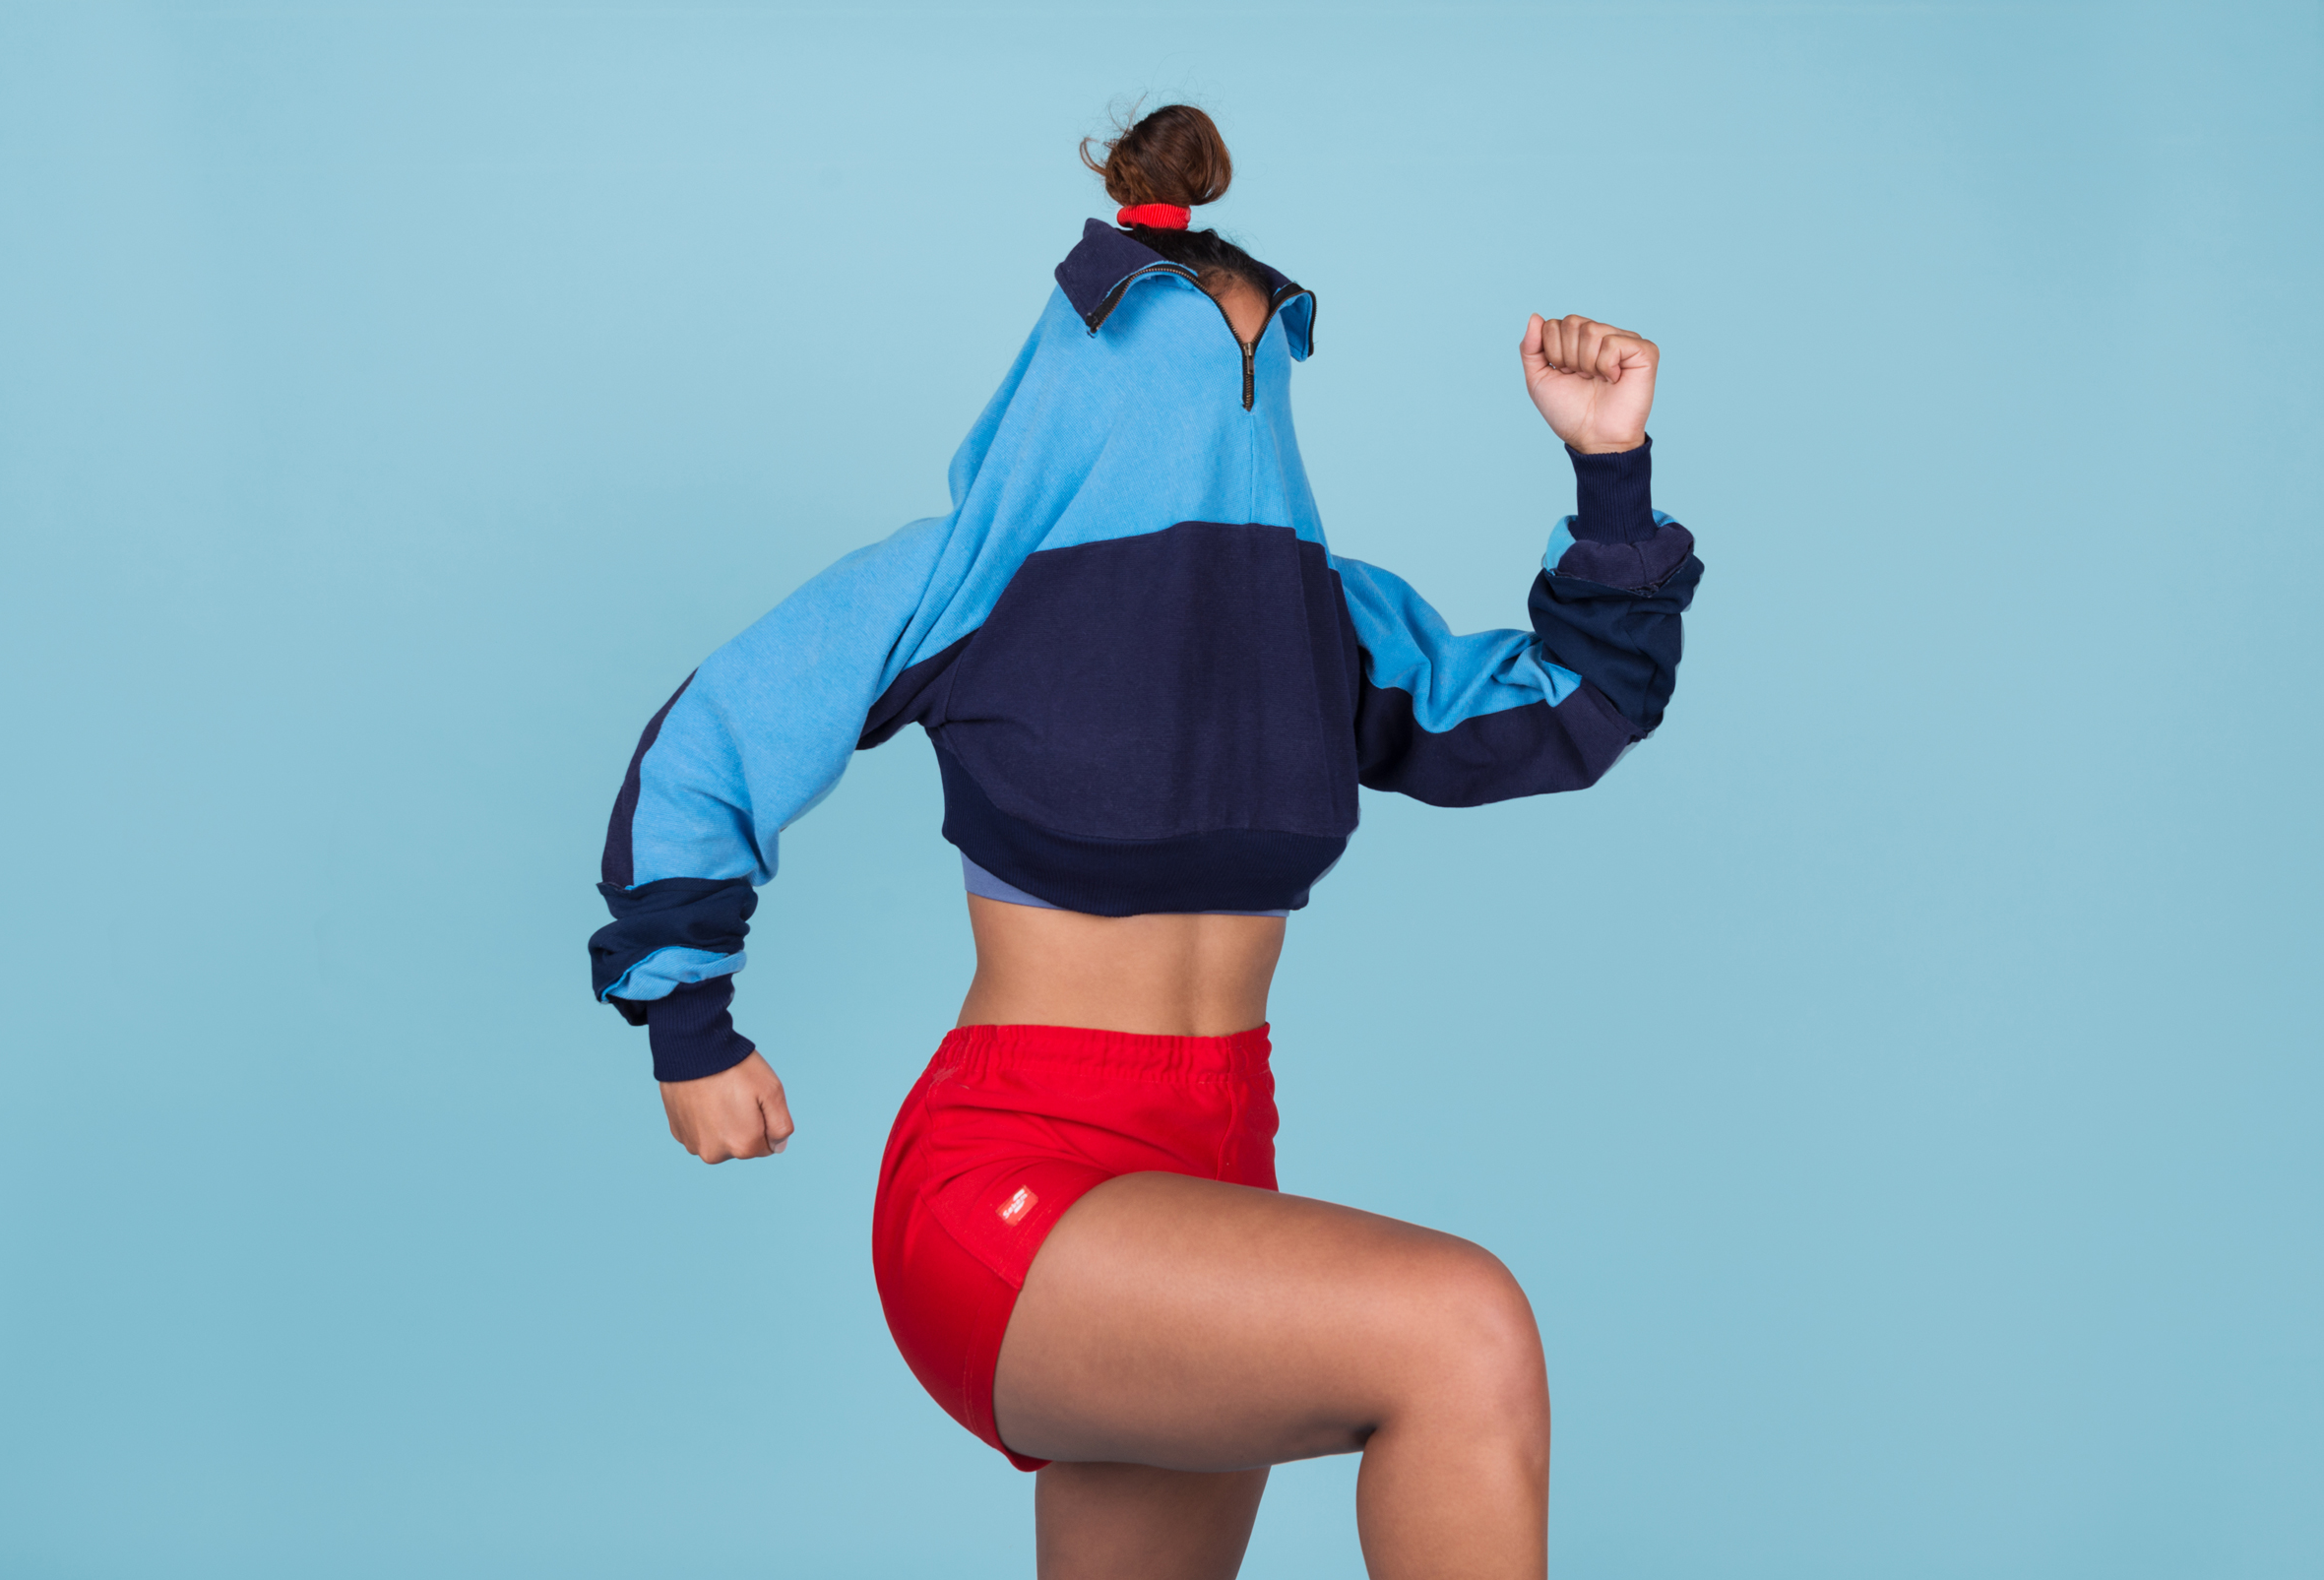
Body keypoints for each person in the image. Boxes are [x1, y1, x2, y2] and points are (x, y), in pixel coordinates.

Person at [588, 103, 1701, 1580]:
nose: (1219, 428)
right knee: (1459, 1328)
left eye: (1250, 378)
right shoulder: (966, 579)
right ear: (1087, 381)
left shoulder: (1322, 620)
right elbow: (718, 738)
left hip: (1211, 1171)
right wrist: (688, 1023)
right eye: (1185, 375)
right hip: (1008, 1181)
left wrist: (1608, 469)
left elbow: (1569, 711)